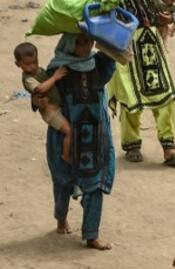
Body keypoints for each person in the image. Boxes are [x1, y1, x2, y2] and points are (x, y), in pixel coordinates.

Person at [38, 35, 115, 248]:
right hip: (66, 137)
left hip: (95, 136)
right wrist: (38, 101)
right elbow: (42, 95)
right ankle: (61, 216)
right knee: (63, 182)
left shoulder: (100, 64)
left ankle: (91, 235)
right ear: (69, 44)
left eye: (88, 41)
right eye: (79, 42)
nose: (85, 46)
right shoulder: (57, 70)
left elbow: (116, 49)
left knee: (95, 185)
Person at [110, 0, 175, 166]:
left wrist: (163, 20)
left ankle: (169, 149)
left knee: (166, 95)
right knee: (130, 97)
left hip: (151, 47)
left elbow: (162, 14)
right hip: (125, 48)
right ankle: (132, 146)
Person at [14, 43, 72, 164]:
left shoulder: (39, 70)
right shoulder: (28, 78)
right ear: (18, 64)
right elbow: (40, 89)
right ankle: (66, 155)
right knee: (69, 132)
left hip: (56, 106)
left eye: (35, 61)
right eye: (27, 64)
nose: (32, 66)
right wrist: (55, 77)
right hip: (51, 112)